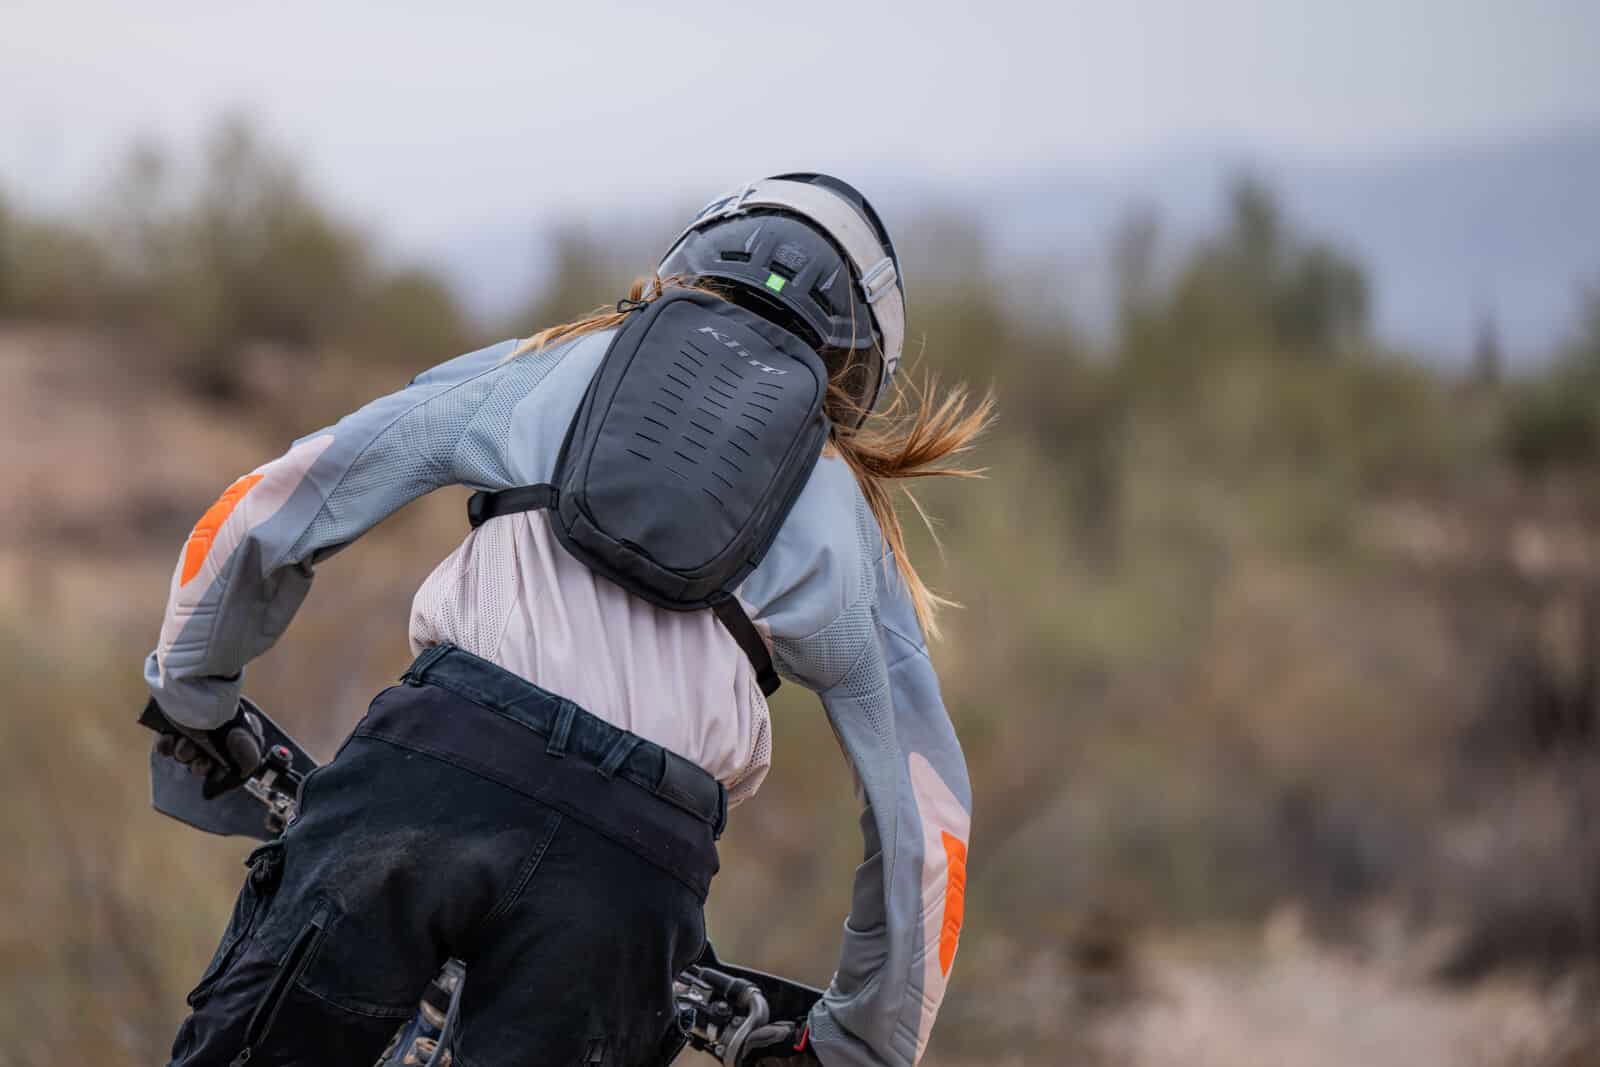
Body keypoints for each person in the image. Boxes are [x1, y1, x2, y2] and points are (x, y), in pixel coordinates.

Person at [146, 173, 988, 1067]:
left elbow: (279, 498)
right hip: (633, 867)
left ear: (695, 257)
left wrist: (195, 692)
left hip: (430, 767)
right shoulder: (848, 523)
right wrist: (864, 1041)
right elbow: (929, 823)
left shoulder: (553, 365)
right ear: (861, 366)